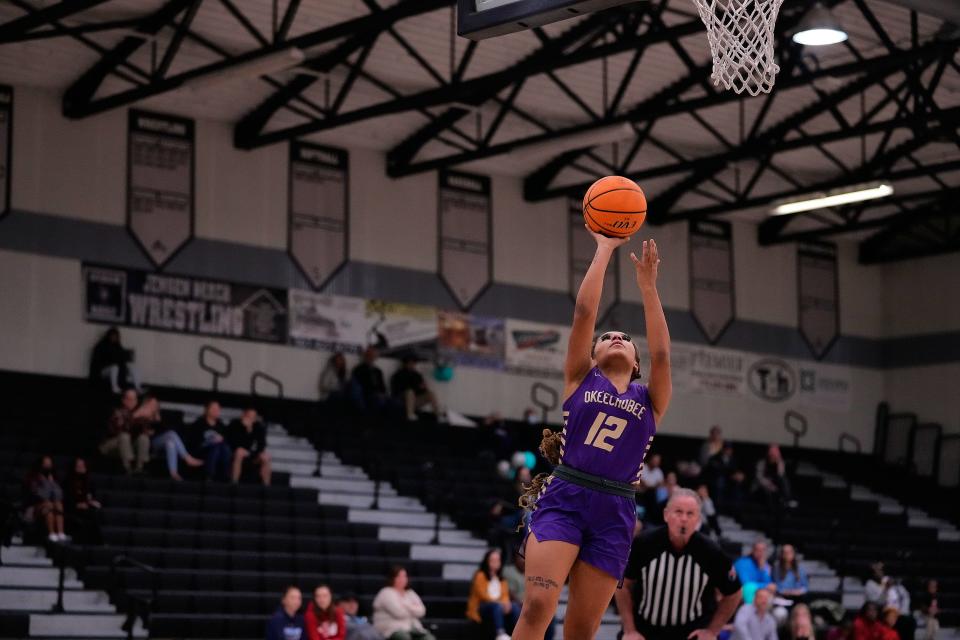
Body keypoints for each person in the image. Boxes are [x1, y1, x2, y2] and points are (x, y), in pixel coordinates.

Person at [513, 232, 671, 640]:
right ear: (593, 355)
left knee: (582, 631)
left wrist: (648, 288)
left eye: (626, 340)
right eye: (607, 337)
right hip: (567, 496)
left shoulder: (651, 398)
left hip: (616, 510)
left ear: (637, 363)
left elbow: (665, 354)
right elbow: (584, 313)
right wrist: (604, 249)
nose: (616, 338)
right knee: (537, 607)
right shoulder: (579, 378)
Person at [615, 489, 742, 640]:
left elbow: (734, 592)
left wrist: (712, 631)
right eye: (678, 512)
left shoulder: (710, 551)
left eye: (690, 514)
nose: (684, 519)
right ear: (666, 515)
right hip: (645, 630)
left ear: (698, 520)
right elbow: (622, 585)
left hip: (691, 633)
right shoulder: (644, 544)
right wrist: (630, 630)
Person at [141, 395, 202, 481]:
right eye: (151, 404)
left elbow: (165, 430)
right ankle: (187, 458)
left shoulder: (160, 416)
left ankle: (173, 473)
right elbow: (144, 433)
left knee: (171, 443)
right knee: (171, 434)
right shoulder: (142, 415)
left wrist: (158, 420)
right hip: (149, 444)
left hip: (162, 443)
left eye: (155, 405)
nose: (153, 407)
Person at [466, 549, 520, 640]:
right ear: (487, 561)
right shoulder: (480, 575)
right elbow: (482, 595)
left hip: (498, 606)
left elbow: (505, 595)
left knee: (514, 606)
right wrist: (500, 603)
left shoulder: (502, 578)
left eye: (497, 560)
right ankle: (500, 633)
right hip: (482, 606)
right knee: (497, 606)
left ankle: (518, 633)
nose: (495, 563)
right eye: (493, 560)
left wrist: (506, 603)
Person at [372, 566, 434, 640]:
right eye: (399, 576)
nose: (402, 579)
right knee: (404, 637)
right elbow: (399, 613)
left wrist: (405, 605)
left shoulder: (410, 593)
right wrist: (413, 608)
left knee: (429, 638)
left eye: (404, 576)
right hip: (390, 628)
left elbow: (422, 611)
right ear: (392, 578)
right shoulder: (386, 592)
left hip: (411, 627)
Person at [99, 389, 150, 474]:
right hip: (112, 444)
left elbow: (144, 431)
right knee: (124, 436)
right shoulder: (117, 412)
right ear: (123, 400)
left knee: (143, 438)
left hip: (129, 445)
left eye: (134, 399)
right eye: (129, 399)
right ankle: (127, 468)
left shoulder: (140, 414)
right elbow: (121, 429)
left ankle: (139, 468)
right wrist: (134, 417)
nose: (132, 402)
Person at [187, 401, 233, 481]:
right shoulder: (199, 423)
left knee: (224, 447)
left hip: (219, 450)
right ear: (207, 410)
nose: (216, 411)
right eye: (213, 408)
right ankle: (209, 475)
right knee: (216, 447)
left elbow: (227, 439)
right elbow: (194, 441)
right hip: (201, 450)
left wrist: (221, 438)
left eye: (218, 409)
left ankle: (226, 475)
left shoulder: (220, 425)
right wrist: (211, 441)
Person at [25, 455, 66, 542]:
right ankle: (51, 533)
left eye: (49, 463)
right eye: (45, 463)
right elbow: (38, 496)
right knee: (49, 506)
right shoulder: (34, 478)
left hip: (51, 504)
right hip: (34, 507)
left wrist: (52, 483)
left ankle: (60, 533)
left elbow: (59, 495)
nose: (48, 466)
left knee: (58, 504)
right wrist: (47, 483)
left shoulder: (54, 478)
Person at [390, 355, 444, 422]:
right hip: (403, 400)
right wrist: (415, 387)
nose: (412, 365)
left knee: (431, 393)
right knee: (410, 392)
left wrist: (423, 387)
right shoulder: (398, 375)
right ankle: (410, 415)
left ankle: (438, 415)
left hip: (415, 400)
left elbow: (421, 390)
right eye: (410, 363)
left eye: (413, 363)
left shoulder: (417, 375)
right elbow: (398, 389)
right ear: (405, 364)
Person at [89, 327, 142, 394]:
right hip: (103, 370)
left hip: (117, 369)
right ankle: (115, 388)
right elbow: (99, 362)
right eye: (112, 336)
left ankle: (138, 387)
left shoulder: (118, 346)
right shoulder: (101, 346)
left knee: (132, 366)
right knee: (114, 367)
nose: (114, 338)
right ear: (108, 336)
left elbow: (122, 358)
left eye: (116, 336)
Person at [227, 408, 272, 485]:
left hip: (253, 455)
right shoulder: (235, 425)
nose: (250, 419)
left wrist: (250, 430)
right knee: (239, 452)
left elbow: (261, 445)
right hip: (237, 454)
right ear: (243, 416)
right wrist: (245, 429)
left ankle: (266, 486)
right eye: (248, 416)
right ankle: (234, 482)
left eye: (253, 417)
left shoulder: (258, 427)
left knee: (266, 456)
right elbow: (233, 443)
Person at [64, 457, 102, 544]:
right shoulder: (68, 482)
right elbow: (66, 499)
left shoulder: (89, 482)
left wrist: (92, 502)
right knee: (87, 516)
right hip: (72, 508)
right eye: (79, 466)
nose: (81, 468)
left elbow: (91, 496)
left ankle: (97, 542)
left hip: (86, 507)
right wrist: (77, 505)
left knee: (92, 514)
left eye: (83, 466)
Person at [705, 443, 746, 510]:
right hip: (718, 479)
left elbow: (736, 470)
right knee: (720, 482)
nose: (728, 451)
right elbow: (716, 470)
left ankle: (736, 507)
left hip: (730, 480)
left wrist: (738, 475)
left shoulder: (734, 459)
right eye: (727, 449)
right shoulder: (715, 458)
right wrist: (730, 475)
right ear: (723, 450)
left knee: (738, 483)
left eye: (729, 449)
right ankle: (719, 506)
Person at [350, 347, 388, 413]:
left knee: (388, 401)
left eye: (373, 356)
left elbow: (382, 385)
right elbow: (357, 385)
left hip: (378, 394)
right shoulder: (359, 369)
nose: (371, 358)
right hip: (366, 394)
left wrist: (382, 393)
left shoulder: (378, 371)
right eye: (369, 355)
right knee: (378, 399)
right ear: (365, 356)